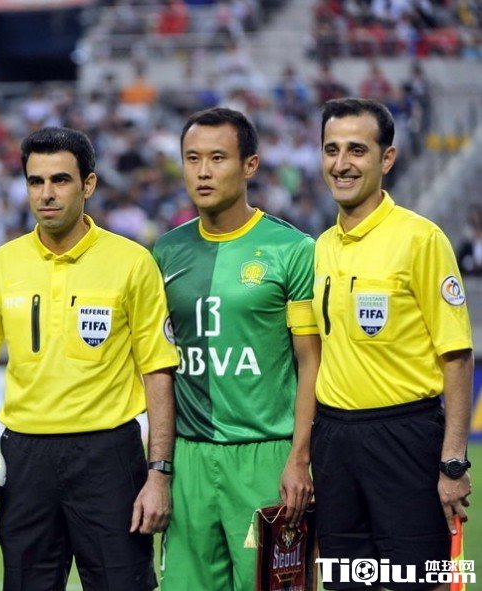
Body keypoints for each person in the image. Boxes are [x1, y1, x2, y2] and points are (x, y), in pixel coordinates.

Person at [0, 126, 179, 590]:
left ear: (88, 184)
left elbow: (158, 372)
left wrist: (159, 474)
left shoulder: (131, 263)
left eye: (60, 180)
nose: (46, 193)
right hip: (26, 459)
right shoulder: (1, 266)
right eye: (36, 181)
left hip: (108, 456)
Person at [152, 108, 320, 591]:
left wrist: (299, 458)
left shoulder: (292, 249)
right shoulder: (165, 252)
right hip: (190, 458)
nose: (203, 172)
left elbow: (312, 362)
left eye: (217, 158)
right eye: (192, 159)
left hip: (266, 455)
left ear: (250, 165)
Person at [312, 97, 473, 590]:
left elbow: (457, 355)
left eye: (357, 150)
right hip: (334, 440)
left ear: (387, 159)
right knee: (344, 581)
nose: (342, 163)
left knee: (418, 580)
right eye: (332, 149)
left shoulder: (421, 239)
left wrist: (452, 462)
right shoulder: (321, 246)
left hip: (405, 435)